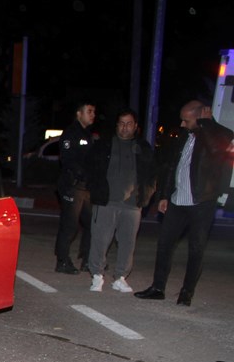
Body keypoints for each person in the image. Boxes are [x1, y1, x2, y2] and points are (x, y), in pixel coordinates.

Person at [134, 100, 234, 305]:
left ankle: (186, 293)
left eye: (186, 120)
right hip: (177, 201)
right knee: (164, 245)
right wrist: (163, 195)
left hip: (201, 202)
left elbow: (216, 151)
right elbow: (172, 166)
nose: (181, 124)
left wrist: (206, 125)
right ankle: (158, 287)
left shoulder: (220, 133)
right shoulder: (184, 135)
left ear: (200, 118)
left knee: (196, 249)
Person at [84, 108, 156, 292]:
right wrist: (95, 190)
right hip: (106, 201)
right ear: (117, 125)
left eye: (129, 124)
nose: (125, 128)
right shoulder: (104, 145)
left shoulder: (143, 148)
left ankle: (121, 277)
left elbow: (151, 175)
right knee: (100, 240)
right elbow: (91, 168)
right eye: (122, 123)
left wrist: (146, 195)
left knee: (127, 242)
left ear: (136, 126)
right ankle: (97, 275)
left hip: (132, 204)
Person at [53, 100, 96, 274]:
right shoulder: (71, 133)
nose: (93, 114)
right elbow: (68, 160)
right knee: (70, 225)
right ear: (79, 113)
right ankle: (62, 261)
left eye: (93, 111)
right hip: (72, 186)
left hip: (86, 188)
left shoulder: (88, 134)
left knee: (92, 224)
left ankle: (87, 259)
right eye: (89, 111)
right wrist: (82, 174)